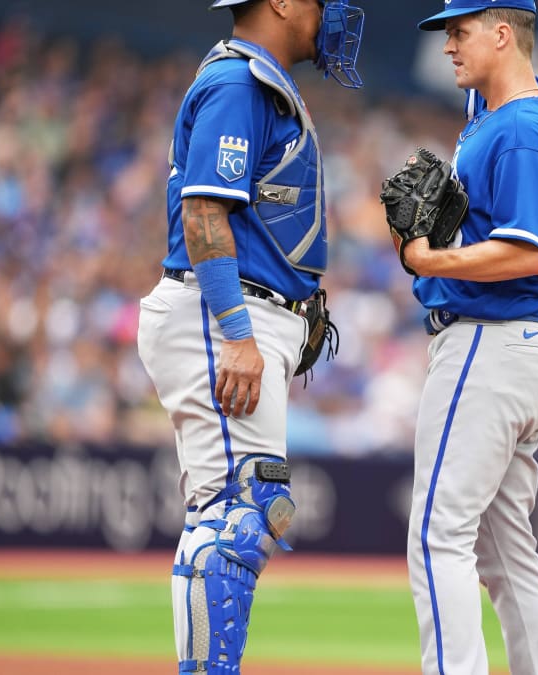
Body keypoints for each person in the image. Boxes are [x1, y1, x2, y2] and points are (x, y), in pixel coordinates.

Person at [135, 1, 364, 673]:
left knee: (236, 509)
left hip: (243, 312)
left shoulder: (260, 79)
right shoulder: (240, 82)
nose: (333, 14)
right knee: (240, 513)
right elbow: (204, 209)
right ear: (283, 3)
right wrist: (238, 330)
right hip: (220, 315)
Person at [397, 1, 538, 673]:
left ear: (504, 34)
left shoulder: (521, 127)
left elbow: (529, 253)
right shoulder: (511, 114)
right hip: (513, 347)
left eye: (460, 30)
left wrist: (432, 258)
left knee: (439, 534)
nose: (448, 45)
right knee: (507, 554)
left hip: (486, 345)